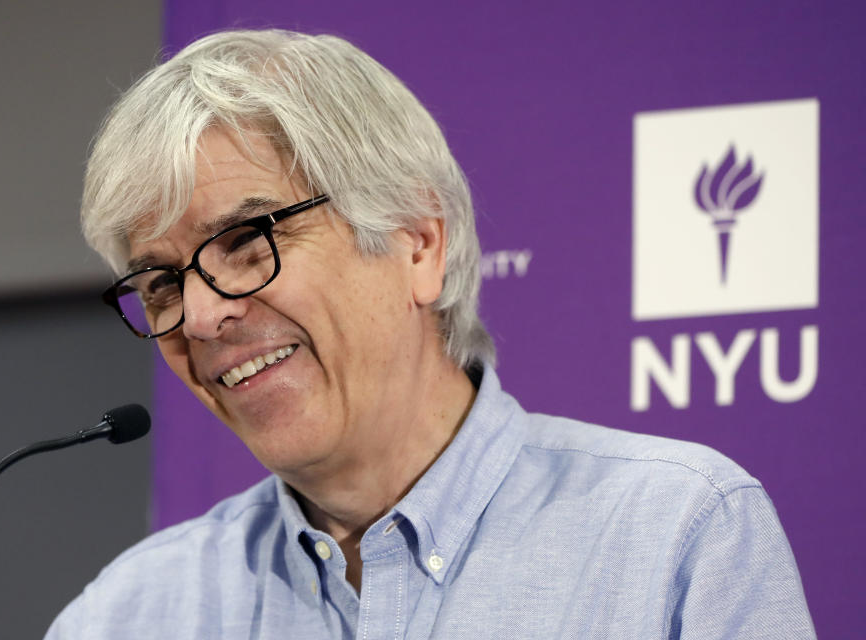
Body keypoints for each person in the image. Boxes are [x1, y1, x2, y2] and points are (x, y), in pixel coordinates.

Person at [46, 29, 815, 639]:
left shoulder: (678, 535)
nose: (204, 316)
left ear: (418, 244)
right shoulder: (124, 617)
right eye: (162, 283)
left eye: (249, 241)